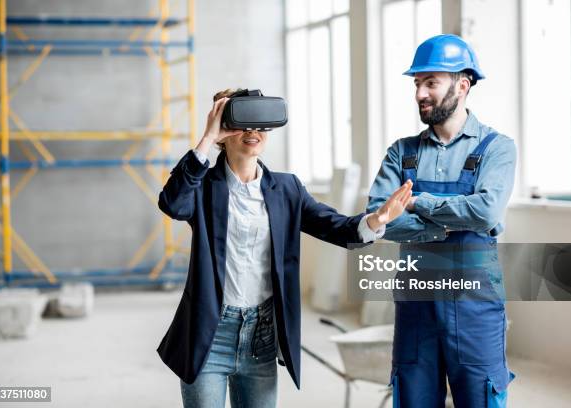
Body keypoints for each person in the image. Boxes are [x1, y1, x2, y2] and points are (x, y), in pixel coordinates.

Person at [157, 88, 414, 408]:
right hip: (209, 336)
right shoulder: (203, 186)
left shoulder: (287, 188)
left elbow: (335, 226)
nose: (253, 132)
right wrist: (207, 138)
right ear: (224, 132)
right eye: (242, 123)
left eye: (260, 124)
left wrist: (377, 220)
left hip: (262, 337)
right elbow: (172, 203)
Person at [367, 34, 517, 407]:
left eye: (431, 82)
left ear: (462, 85)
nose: (420, 93)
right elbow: (378, 217)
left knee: (481, 398)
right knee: (413, 399)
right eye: (417, 84)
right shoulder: (402, 152)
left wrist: (419, 202)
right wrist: (454, 219)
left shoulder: (496, 148)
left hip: (474, 307)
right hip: (416, 307)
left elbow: (486, 212)